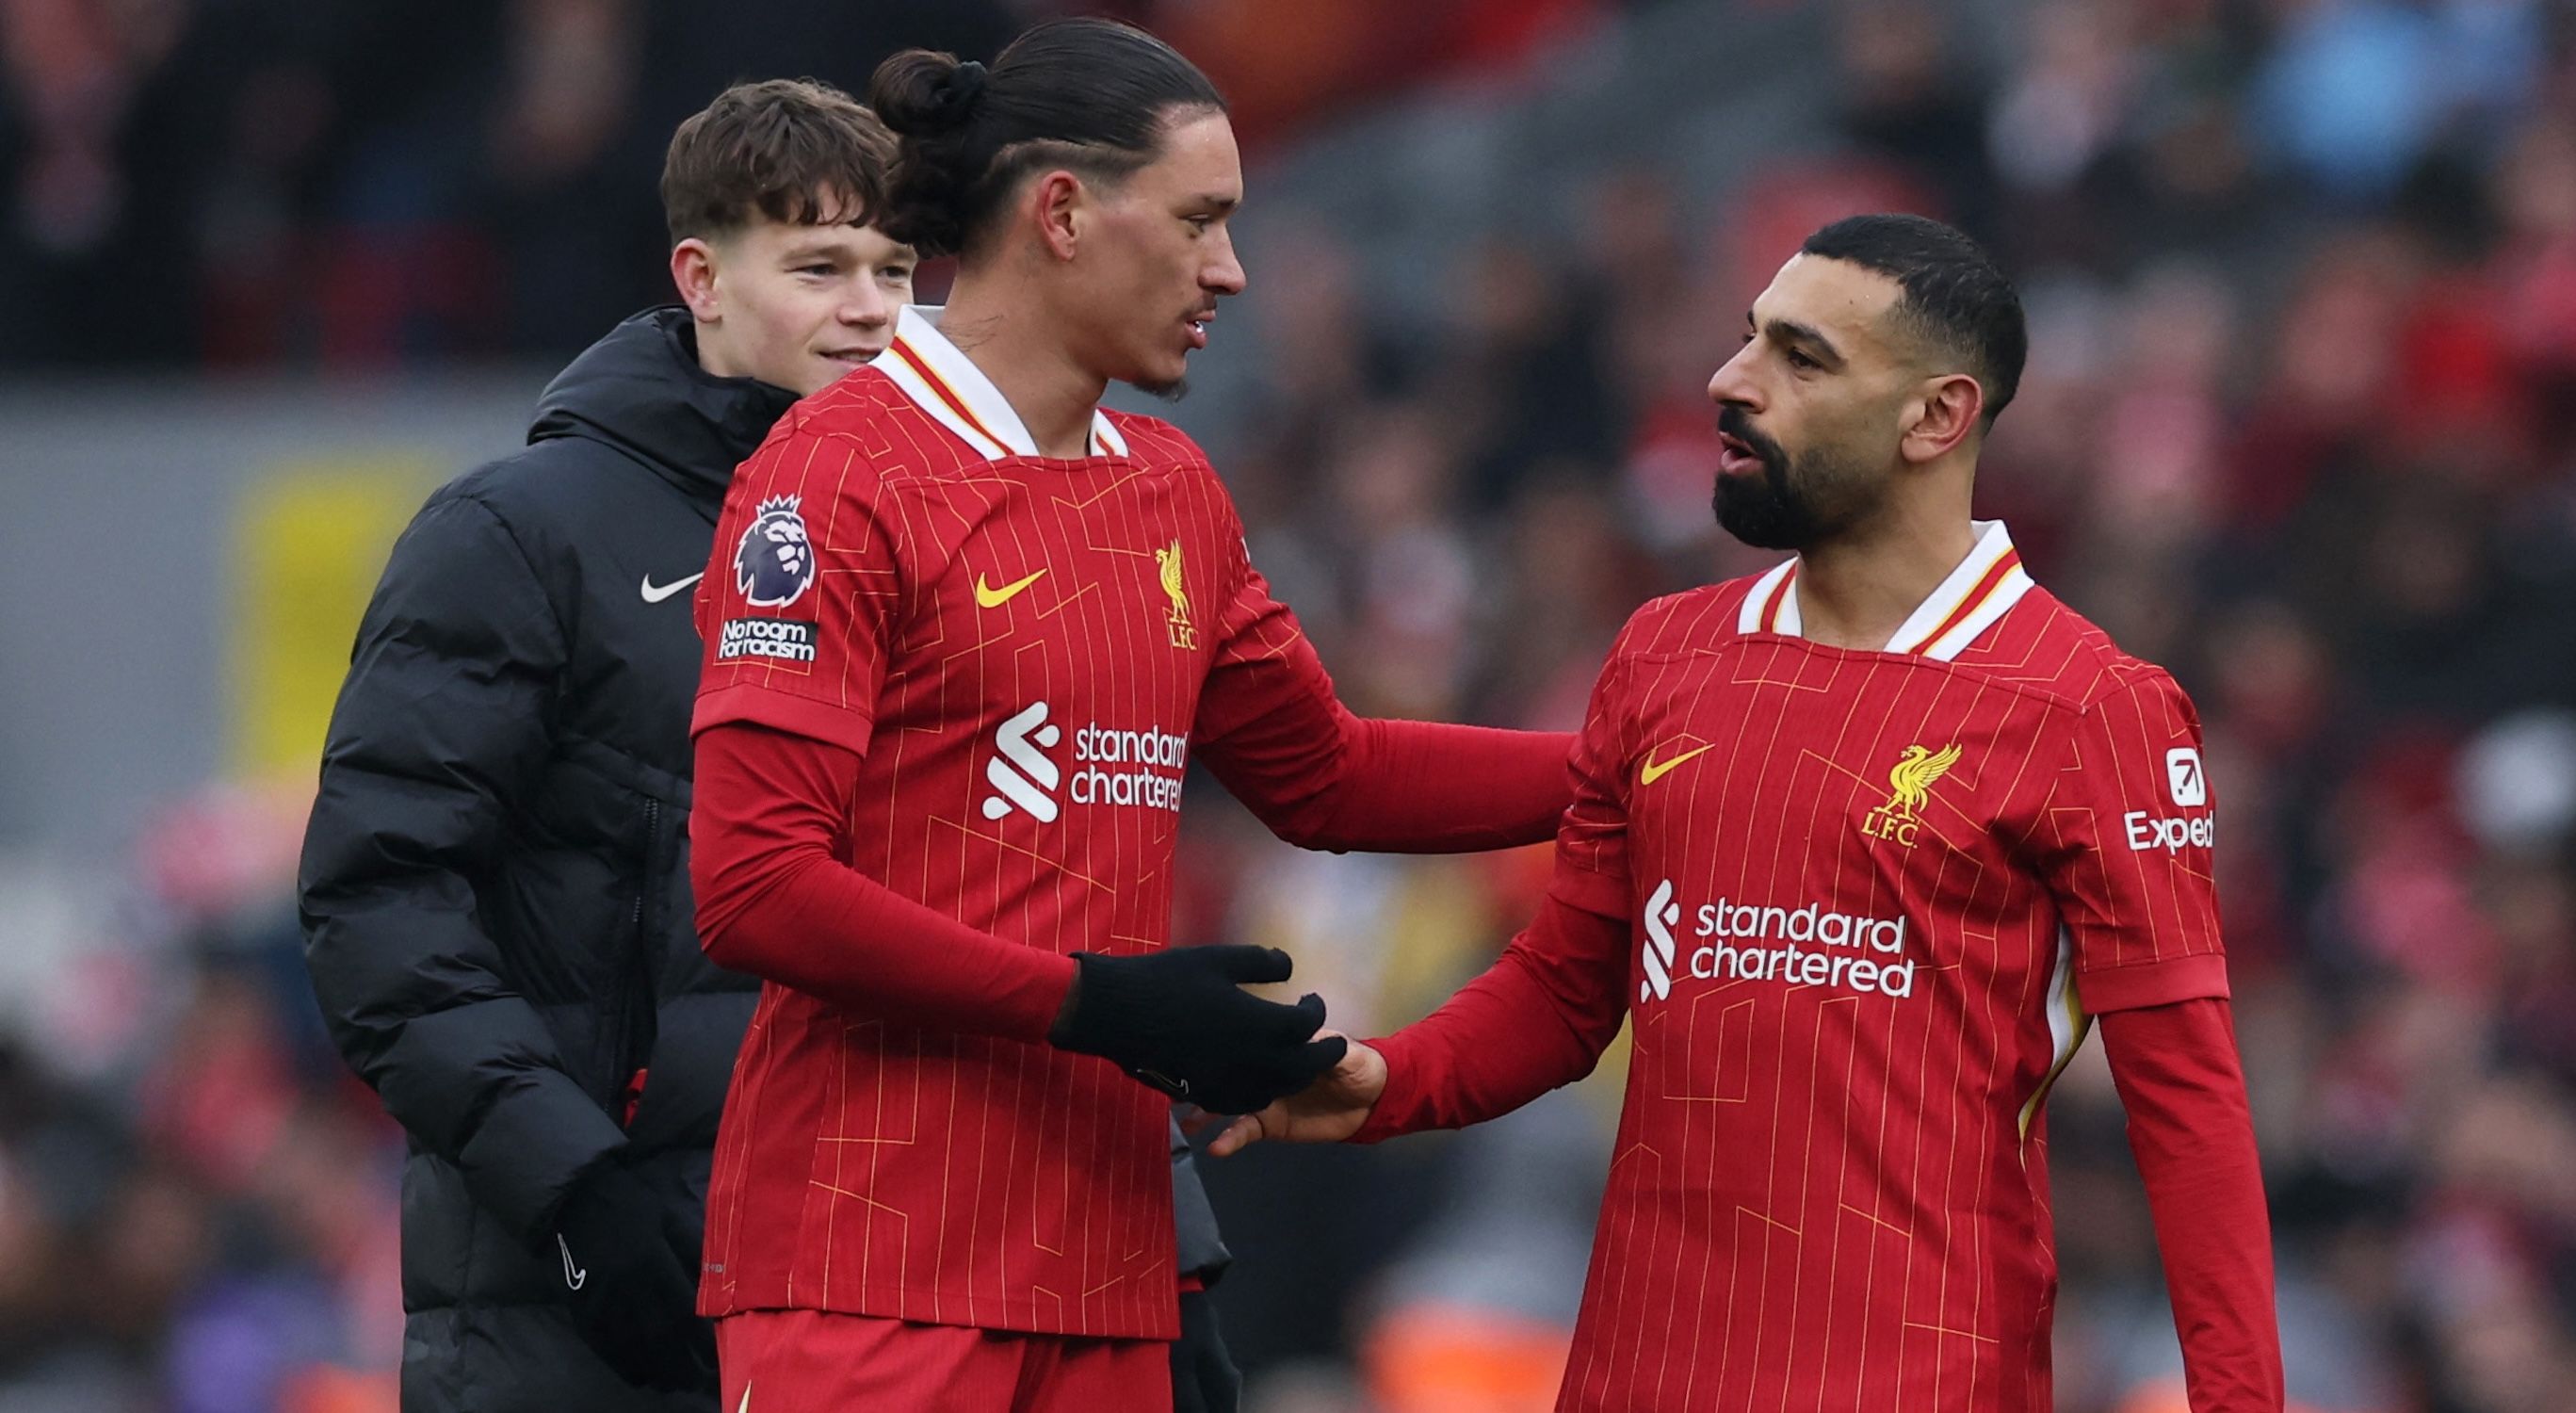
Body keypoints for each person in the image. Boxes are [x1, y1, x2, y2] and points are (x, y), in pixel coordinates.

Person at [1213, 214, 2288, 1412]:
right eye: (1745, 340)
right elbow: (1569, 990)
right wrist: (1389, 1079)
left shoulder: (2094, 708)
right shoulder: (1665, 656)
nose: (1732, 381)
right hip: (1638, 1372)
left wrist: (2239, 1399)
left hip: (1919, 1379)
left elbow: (2188, 1106)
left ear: (1937, 417)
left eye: (1802, 358)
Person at [298, 75, 1235, 1412]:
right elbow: (376, 901)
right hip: (589, 1302)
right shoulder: (518, 538)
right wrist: (579, 1193)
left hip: (916, 1282)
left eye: (898, 267)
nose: (870, 307)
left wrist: (1172, 1251)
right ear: (702, 277)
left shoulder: (974, 526)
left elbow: (1034, 925)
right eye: (819, 265)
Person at [681, 18, 1577, 1413]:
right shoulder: (835, 474)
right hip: (868, 1262)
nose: (1230, 270)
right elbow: (754, 888)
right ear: (1061, 215)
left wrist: (1654, 763)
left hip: (1103, 1272)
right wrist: (1095, 1001)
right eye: (1203, 221)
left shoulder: (1170, 488)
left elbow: (1328, 776)